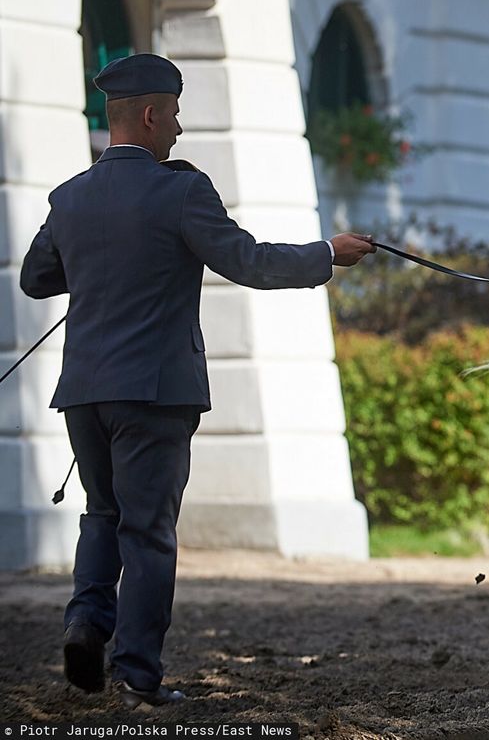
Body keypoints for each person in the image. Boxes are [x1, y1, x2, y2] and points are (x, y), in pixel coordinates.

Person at [19, 53, 377, 709]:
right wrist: (328, 254)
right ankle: (135, 674)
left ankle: (84, 625)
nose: (179, 130)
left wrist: (103, 265)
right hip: (154, 392)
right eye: (176, 115)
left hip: (84, 392)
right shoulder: (181, 191)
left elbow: (37, 279)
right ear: (152, 115)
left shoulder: (69, 197)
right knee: (149, 532)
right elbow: (250, 261)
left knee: (102, 515)